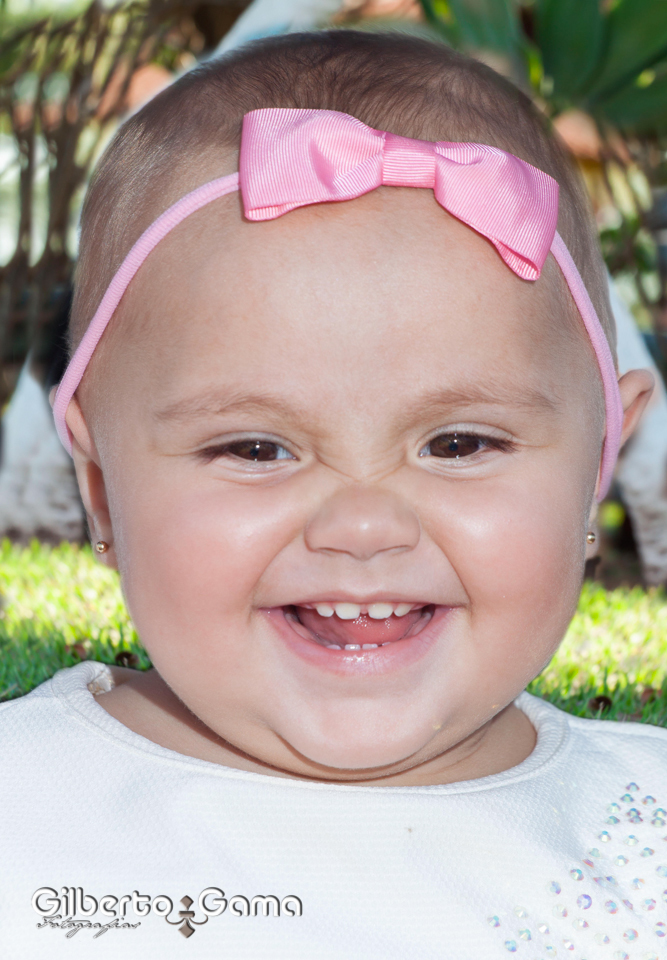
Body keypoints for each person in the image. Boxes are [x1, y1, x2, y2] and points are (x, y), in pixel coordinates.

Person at [0, 31, 664, 959]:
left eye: (458, 443)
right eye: (256, 448)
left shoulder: (646, 822)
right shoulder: (24, 805)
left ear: (596, 466)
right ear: (102, 488)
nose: (362, 524)